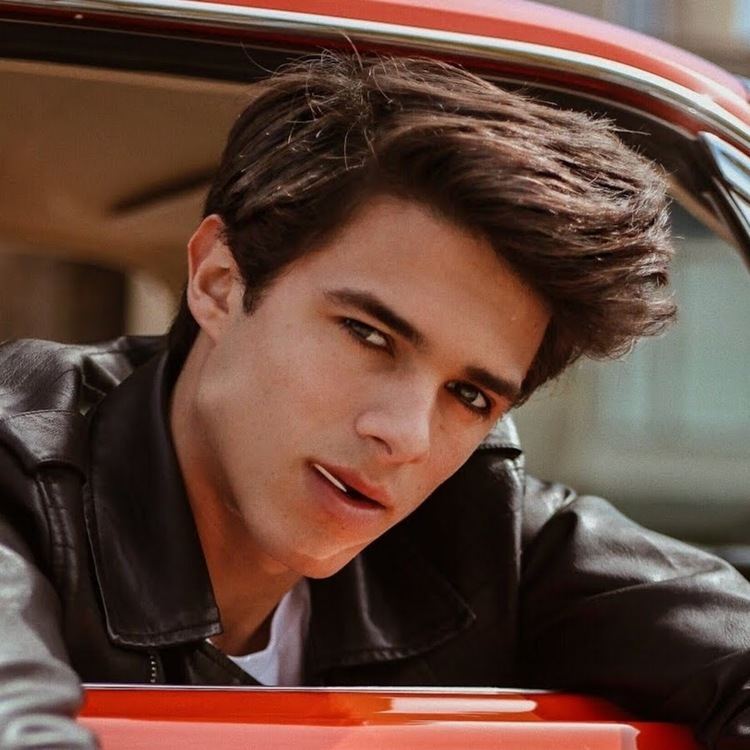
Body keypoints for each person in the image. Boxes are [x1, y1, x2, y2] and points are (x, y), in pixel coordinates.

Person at [1, 53, 749, 749]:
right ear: (219, 283)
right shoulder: (20, 472)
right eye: (368, 335)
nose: (406, 435)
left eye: (468, 393)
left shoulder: (475, 522)